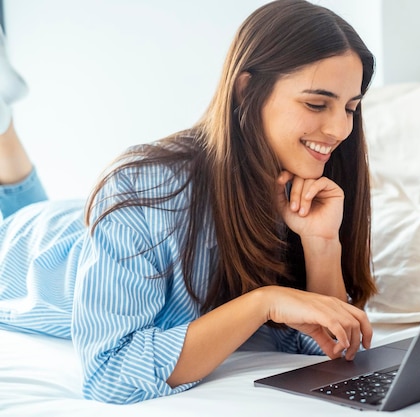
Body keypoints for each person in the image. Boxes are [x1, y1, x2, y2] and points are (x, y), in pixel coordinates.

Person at [0, 0, 377, 405]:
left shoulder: (313, 186)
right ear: (247, 88)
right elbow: (111, 373)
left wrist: (321, 244)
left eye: (351, 107)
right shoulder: (143, 189)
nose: (340, 128)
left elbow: (325, 348)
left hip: (88, 220)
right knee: (18, 213)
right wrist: (261, 303)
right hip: (35, 250)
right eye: (316, 104)